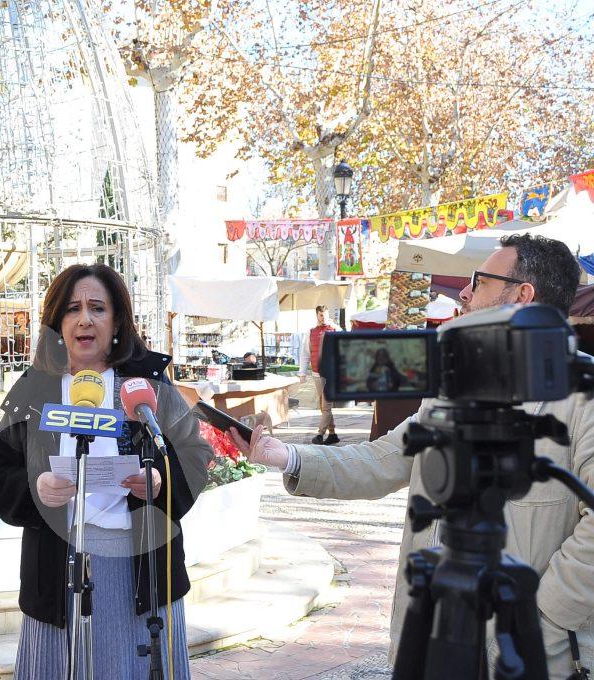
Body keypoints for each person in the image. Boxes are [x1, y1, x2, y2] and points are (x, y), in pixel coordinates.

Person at [231, 233, 593, 678]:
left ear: (522, 295)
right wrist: (286, 456)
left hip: (526, 645)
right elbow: (384, 458)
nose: (463, 292)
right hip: (436, 633)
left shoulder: (583, 398)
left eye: (478, 281)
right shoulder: (453, 388)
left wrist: (545, 612)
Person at [0, 263, 213, 680]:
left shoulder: (149, 386)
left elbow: (194, 456)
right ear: (58, 323)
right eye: (72, 309)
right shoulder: (35, 391)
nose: (84, 319)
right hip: (57, 569)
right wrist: (35, 488)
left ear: (118, 319)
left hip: (139, 570)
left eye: (97, 308)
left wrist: (159, 481)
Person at [300, 305, 339, 445]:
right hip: (316, 373)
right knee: (324, 407)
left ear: (329, 315)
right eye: (321, 315)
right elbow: (305, 353)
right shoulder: (310, 332)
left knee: (326, 405)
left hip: (331, 374)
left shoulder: (336, 330)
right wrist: (302, 373)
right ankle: (333, 434)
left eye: (325, 315)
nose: (323, 318)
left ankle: (320, 434)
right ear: (317, 315)